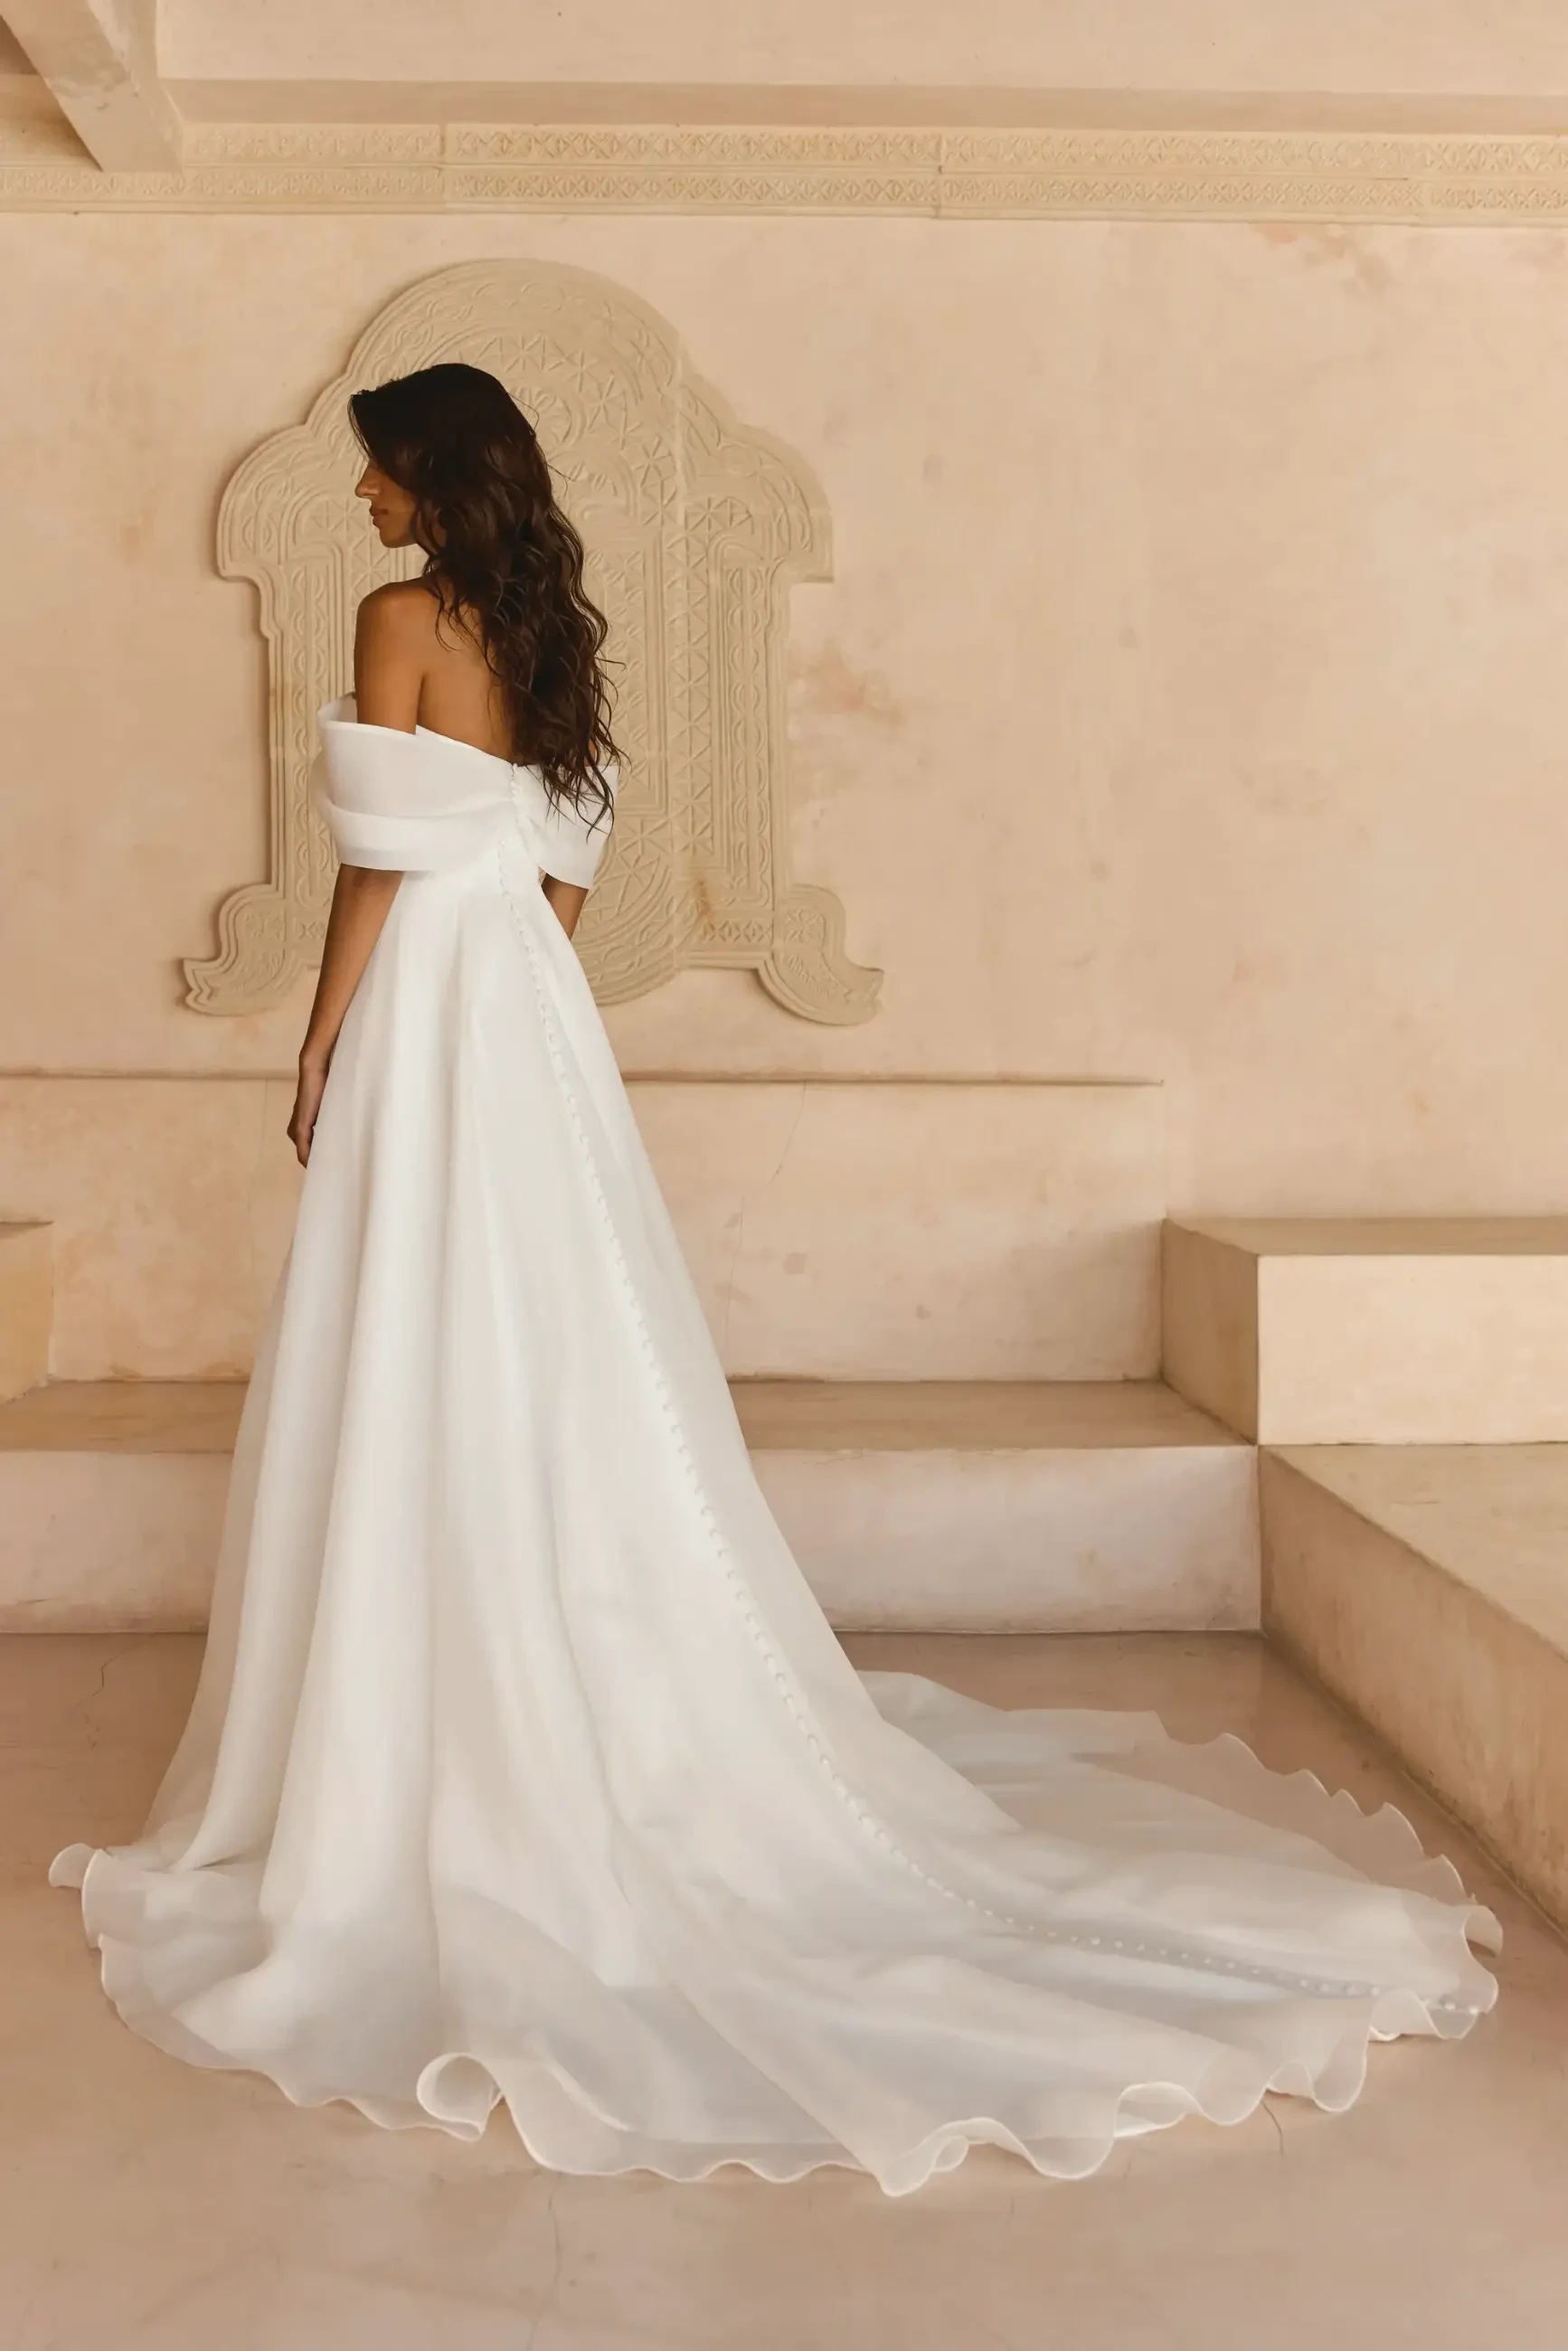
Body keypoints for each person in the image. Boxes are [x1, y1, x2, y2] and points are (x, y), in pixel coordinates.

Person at [52, 363, 1499, 2192]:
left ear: (425, 474)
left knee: (422, 1328)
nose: (360, 502)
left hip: (430, 999)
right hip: (528, 1012)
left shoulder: (399, 616)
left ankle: (419, 1701)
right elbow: (559, 862)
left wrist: (324, 1046)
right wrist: (508, 969)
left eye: (373, 475)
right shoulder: (545, 629)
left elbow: (371, 867)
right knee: (549, 1337)